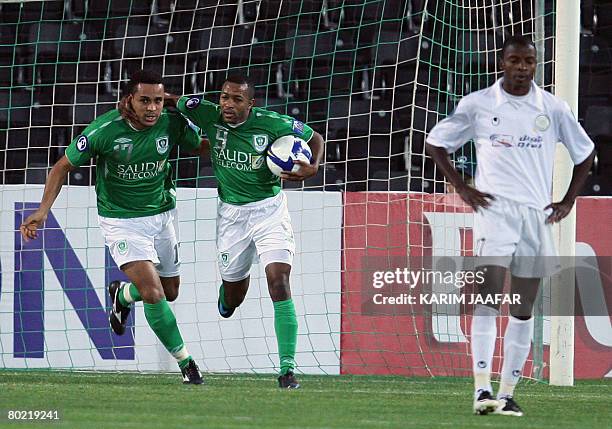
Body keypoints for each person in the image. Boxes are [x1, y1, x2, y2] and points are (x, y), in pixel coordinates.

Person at [426, 35, 595, 416]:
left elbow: (585, 153)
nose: (522, 67)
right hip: (495, 215)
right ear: (502, 62)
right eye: (515, 60)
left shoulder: (552, 108)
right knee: (487, 299)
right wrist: (463, 189)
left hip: (535, 218)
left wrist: (568, 200)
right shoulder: (479, 105)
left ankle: (507, 393)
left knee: (523, 308)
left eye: (529, 62)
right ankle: (481, 389)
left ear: (536, 65)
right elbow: (436, 143)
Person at [122, 73, 325, 388]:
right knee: (232, 299)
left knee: (278, 280)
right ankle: (227, 299)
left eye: (236, 99)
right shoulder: (204, 111)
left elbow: (315, 139)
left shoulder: (272, 122)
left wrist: (314, 166)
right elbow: (172, 101)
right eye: (225, 97)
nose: (228, 105)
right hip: (232, 217)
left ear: (250, 103)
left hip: (270, 212)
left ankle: (287, 370)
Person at [20, 69, 205, 384]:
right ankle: (187, 364)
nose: (152, 108)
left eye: (158, 101)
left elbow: (204, 146)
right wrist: (42, 210)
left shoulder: (171, 123)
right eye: (144, 100)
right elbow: (61, 166)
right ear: (129, 100)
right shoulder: (104, 130)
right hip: (120, 221)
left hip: (161, 217)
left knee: (169, 291)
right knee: (154, 292)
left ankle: (123, 295)